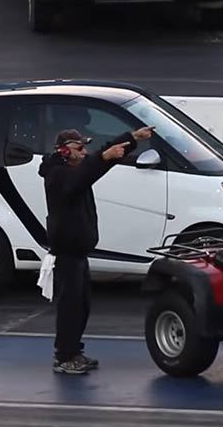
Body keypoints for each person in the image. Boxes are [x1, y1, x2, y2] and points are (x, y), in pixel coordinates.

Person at [38, 125, 154, 374]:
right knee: (70, 308)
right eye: (79, 148)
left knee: (81, 306)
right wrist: (104, 157)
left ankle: (74, 352)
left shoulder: (74, 169)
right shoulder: (58, 176)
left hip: (78, 253)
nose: (84, 152)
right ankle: (64, 356)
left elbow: (96, 163)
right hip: (67, 254)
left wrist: (131, 139)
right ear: (64, 151)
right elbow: (89, 171)